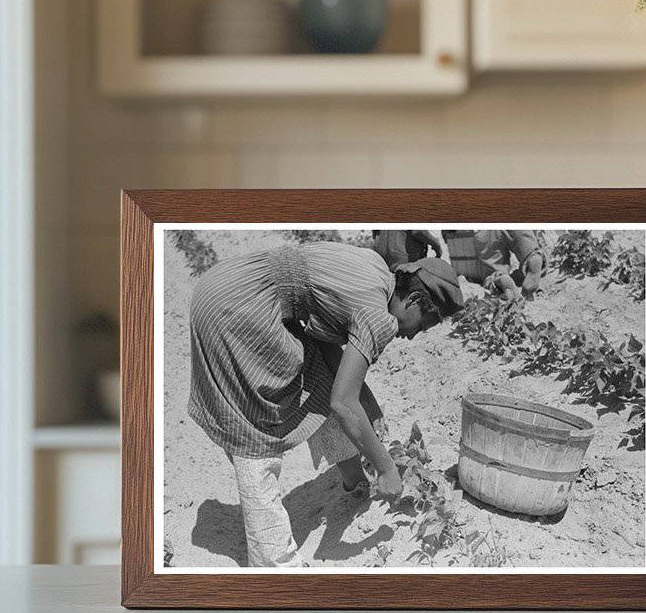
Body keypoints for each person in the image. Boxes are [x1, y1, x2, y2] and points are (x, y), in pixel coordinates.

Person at [188, 241, 464, 567]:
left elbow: (329, 353)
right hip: (239, 309)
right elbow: (343, 403)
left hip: (227, 286)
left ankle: (354, 481)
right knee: (257, 429)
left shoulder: (375, 271)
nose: (415, 335)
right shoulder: (379, 317)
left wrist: (369, 405)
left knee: (314, 376)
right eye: (424, 324)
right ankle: (275, 564)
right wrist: (387, 468)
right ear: (415, 300)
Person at [443, 229, 546, 300]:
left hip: (461, 243)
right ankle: (530, 256)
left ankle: (496, 281)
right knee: (516, 235)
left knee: (473, 279)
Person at [372, 229, 444, 269]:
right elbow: (418, 231)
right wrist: (436, 245)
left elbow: (375, 235)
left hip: (382, 261)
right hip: (405, 264)